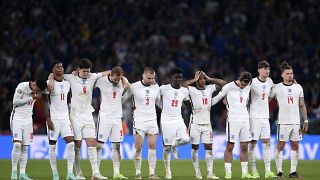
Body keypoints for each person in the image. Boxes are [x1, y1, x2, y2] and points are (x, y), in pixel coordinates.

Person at [48, 58, 109, 179]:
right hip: (75, 115)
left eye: (88, 71)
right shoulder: (71, 78)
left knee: (92, 142)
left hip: (87, 114)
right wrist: (50, 78)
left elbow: (109, 72)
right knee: (77, 144)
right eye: (84, 71)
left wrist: (122, 79)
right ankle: (78, 173)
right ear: (78, 70)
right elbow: (56, 74)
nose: (86, 73)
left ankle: (95, 173)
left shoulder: (93, 76)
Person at [182, 71, 226, 179]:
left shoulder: (210, 88)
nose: (202, 80)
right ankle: (197, 172)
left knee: (209, 147)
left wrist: (209, 78)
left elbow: (224, 84)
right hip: (195, 123)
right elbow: (181, 85)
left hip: (207, 124)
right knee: (195, 148)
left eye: (203, 78)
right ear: (197, 80)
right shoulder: (191, 90)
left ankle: (210, 173)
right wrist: (193, 79)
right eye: (200, 78)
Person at [211, 71, 253, 179]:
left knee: (244, 146)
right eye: (243, 83)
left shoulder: (248, 86)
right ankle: (228, 173)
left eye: (247, 84)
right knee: (230, 146)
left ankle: (244, 173)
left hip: (245, 119)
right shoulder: (229, 86)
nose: (244, 85)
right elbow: (218, 98)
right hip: (233, 120)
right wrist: (206, 104)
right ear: (239, 79)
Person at [270, 61, 308, 178]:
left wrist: (305, 120)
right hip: (283, 122)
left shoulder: (298, 87)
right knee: (280, 146)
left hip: (296, 122)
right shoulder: (277, 87)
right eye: (287, 73)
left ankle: (293, 172)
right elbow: (266, 100)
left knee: (295, 145)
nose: (290, 75)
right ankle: (279, 172)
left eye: (291, 73)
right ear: (282, 75)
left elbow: (302, 104)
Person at [123, 67, 161, 180]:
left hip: (152, 120)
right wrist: (124, 91)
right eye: (149, 78)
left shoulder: (156, 87)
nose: (151, 80)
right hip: (139, 121)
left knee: (152, 146)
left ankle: (152, 174)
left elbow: (159, 103)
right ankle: (138, 173)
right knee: (139, 147)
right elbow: (123, 99)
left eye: (153, 78)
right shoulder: (134, 86)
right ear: (143, 76)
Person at [95, 66, 128, 179]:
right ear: (111, 75)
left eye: (119, 78)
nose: (117, 81)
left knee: (117, 146)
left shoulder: (122, 81)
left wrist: (123, 80)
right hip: (104, 117)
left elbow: (126, 85)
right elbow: (91, 79)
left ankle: (117, 173)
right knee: (99, 145)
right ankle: (96, 172)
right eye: (115, 78)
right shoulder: (102, 81)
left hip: (117, 118)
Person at [45, 61, 76, 180]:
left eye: (62, 66)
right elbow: (44, 101)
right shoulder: (49, 83)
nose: (61, 68)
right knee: (52, 145)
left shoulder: (68, 83)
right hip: (53, 118)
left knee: (71, 143)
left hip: (65, 118)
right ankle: (55, 174)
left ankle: (69, 173)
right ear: (53, 69)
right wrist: (48, 119)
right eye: (58, 67)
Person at [10, 79, 47, 180]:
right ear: (34, 84)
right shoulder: (22, 86)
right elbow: (15, 101)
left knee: (25, 148)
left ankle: (22, 174)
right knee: (17, 144)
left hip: (28, 120)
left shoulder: (39, 88)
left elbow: (50, 85)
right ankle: (14, 173)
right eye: (37, 90)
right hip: (17, 117)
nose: (37, 93)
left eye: (39, 91)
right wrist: (30, 98)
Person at [248, 60, 277, 178]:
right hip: (254, 117)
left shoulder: (270, 81)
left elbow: (272, 94)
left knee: (267, 143)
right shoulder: (253, 82)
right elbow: (244, 94)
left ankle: (268, 171)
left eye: (268, 69)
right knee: (253, 144)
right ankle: (254, 171)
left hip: (265, 117)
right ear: (259, 70)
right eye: (265, 69)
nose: (267, 71)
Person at [160, 68, 190, 180]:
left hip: (178, 119)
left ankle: (174, 145)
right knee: (166, 148)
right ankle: (168, 172)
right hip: (166, 120)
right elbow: (156, 99)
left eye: (180, 77)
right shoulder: (163, 89)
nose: (178, 79)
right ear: (171, 78)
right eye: (176, 77)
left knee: (186, 140)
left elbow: (187, 103)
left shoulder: (184, 91)